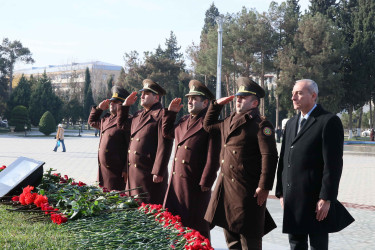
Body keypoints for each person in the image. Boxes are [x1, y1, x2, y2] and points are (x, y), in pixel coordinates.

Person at [275, 79, 354, 250]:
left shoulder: (328, 121)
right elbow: (284, 160)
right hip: (293, 199)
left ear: (313, 95)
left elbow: (333, 164)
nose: (293, 97)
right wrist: (281, 192)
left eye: (299, 93)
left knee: (318, 245)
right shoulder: (290, 124)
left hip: (315, 200)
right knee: (296, 244)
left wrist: (326, 198)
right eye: (293, 93)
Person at [203, 77, 278, 249]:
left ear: (254, 102)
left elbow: (269, 155)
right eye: (238, 97)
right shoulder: (228, 120)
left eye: (243, 97)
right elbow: (208, 126)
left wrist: (264, 186)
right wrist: (216, 105)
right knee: (232, 240)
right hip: (226, 189)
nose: (238, 100)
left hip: (247, 191)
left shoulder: (261, 124)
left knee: (249, 240)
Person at [162, 80, 221, 239]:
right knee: (176, 227)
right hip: (176, 184)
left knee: (196, 228)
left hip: (194, 185)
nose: (189, 101)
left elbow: (213, 156)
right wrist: (171, 113)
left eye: (195, 98)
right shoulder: (183, 120)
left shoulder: (210, 124)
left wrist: (206, 181)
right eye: (189, 98)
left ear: (205, 102)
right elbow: (167, 133)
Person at [120, 79, 173, 204]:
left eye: (147, 93)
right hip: (133, 173)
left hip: (148, 175)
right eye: (142, 93)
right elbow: (122, 125)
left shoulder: (161, 115)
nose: (142, 96)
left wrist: (159, 172)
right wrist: (125, 106)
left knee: (149, 211)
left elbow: (164, 144)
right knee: (134, 210)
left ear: (156, 98)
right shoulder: (139, 114)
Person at [88, 85, 130, 191]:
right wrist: (98, 109)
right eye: (111, 101)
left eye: (116, 102)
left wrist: (126, 168)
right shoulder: (106, 119)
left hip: (117, 171)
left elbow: (130, 146)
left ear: (123, 104)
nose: (112, 103)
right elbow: (92, 122)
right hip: (103, 170)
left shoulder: (127, 121)